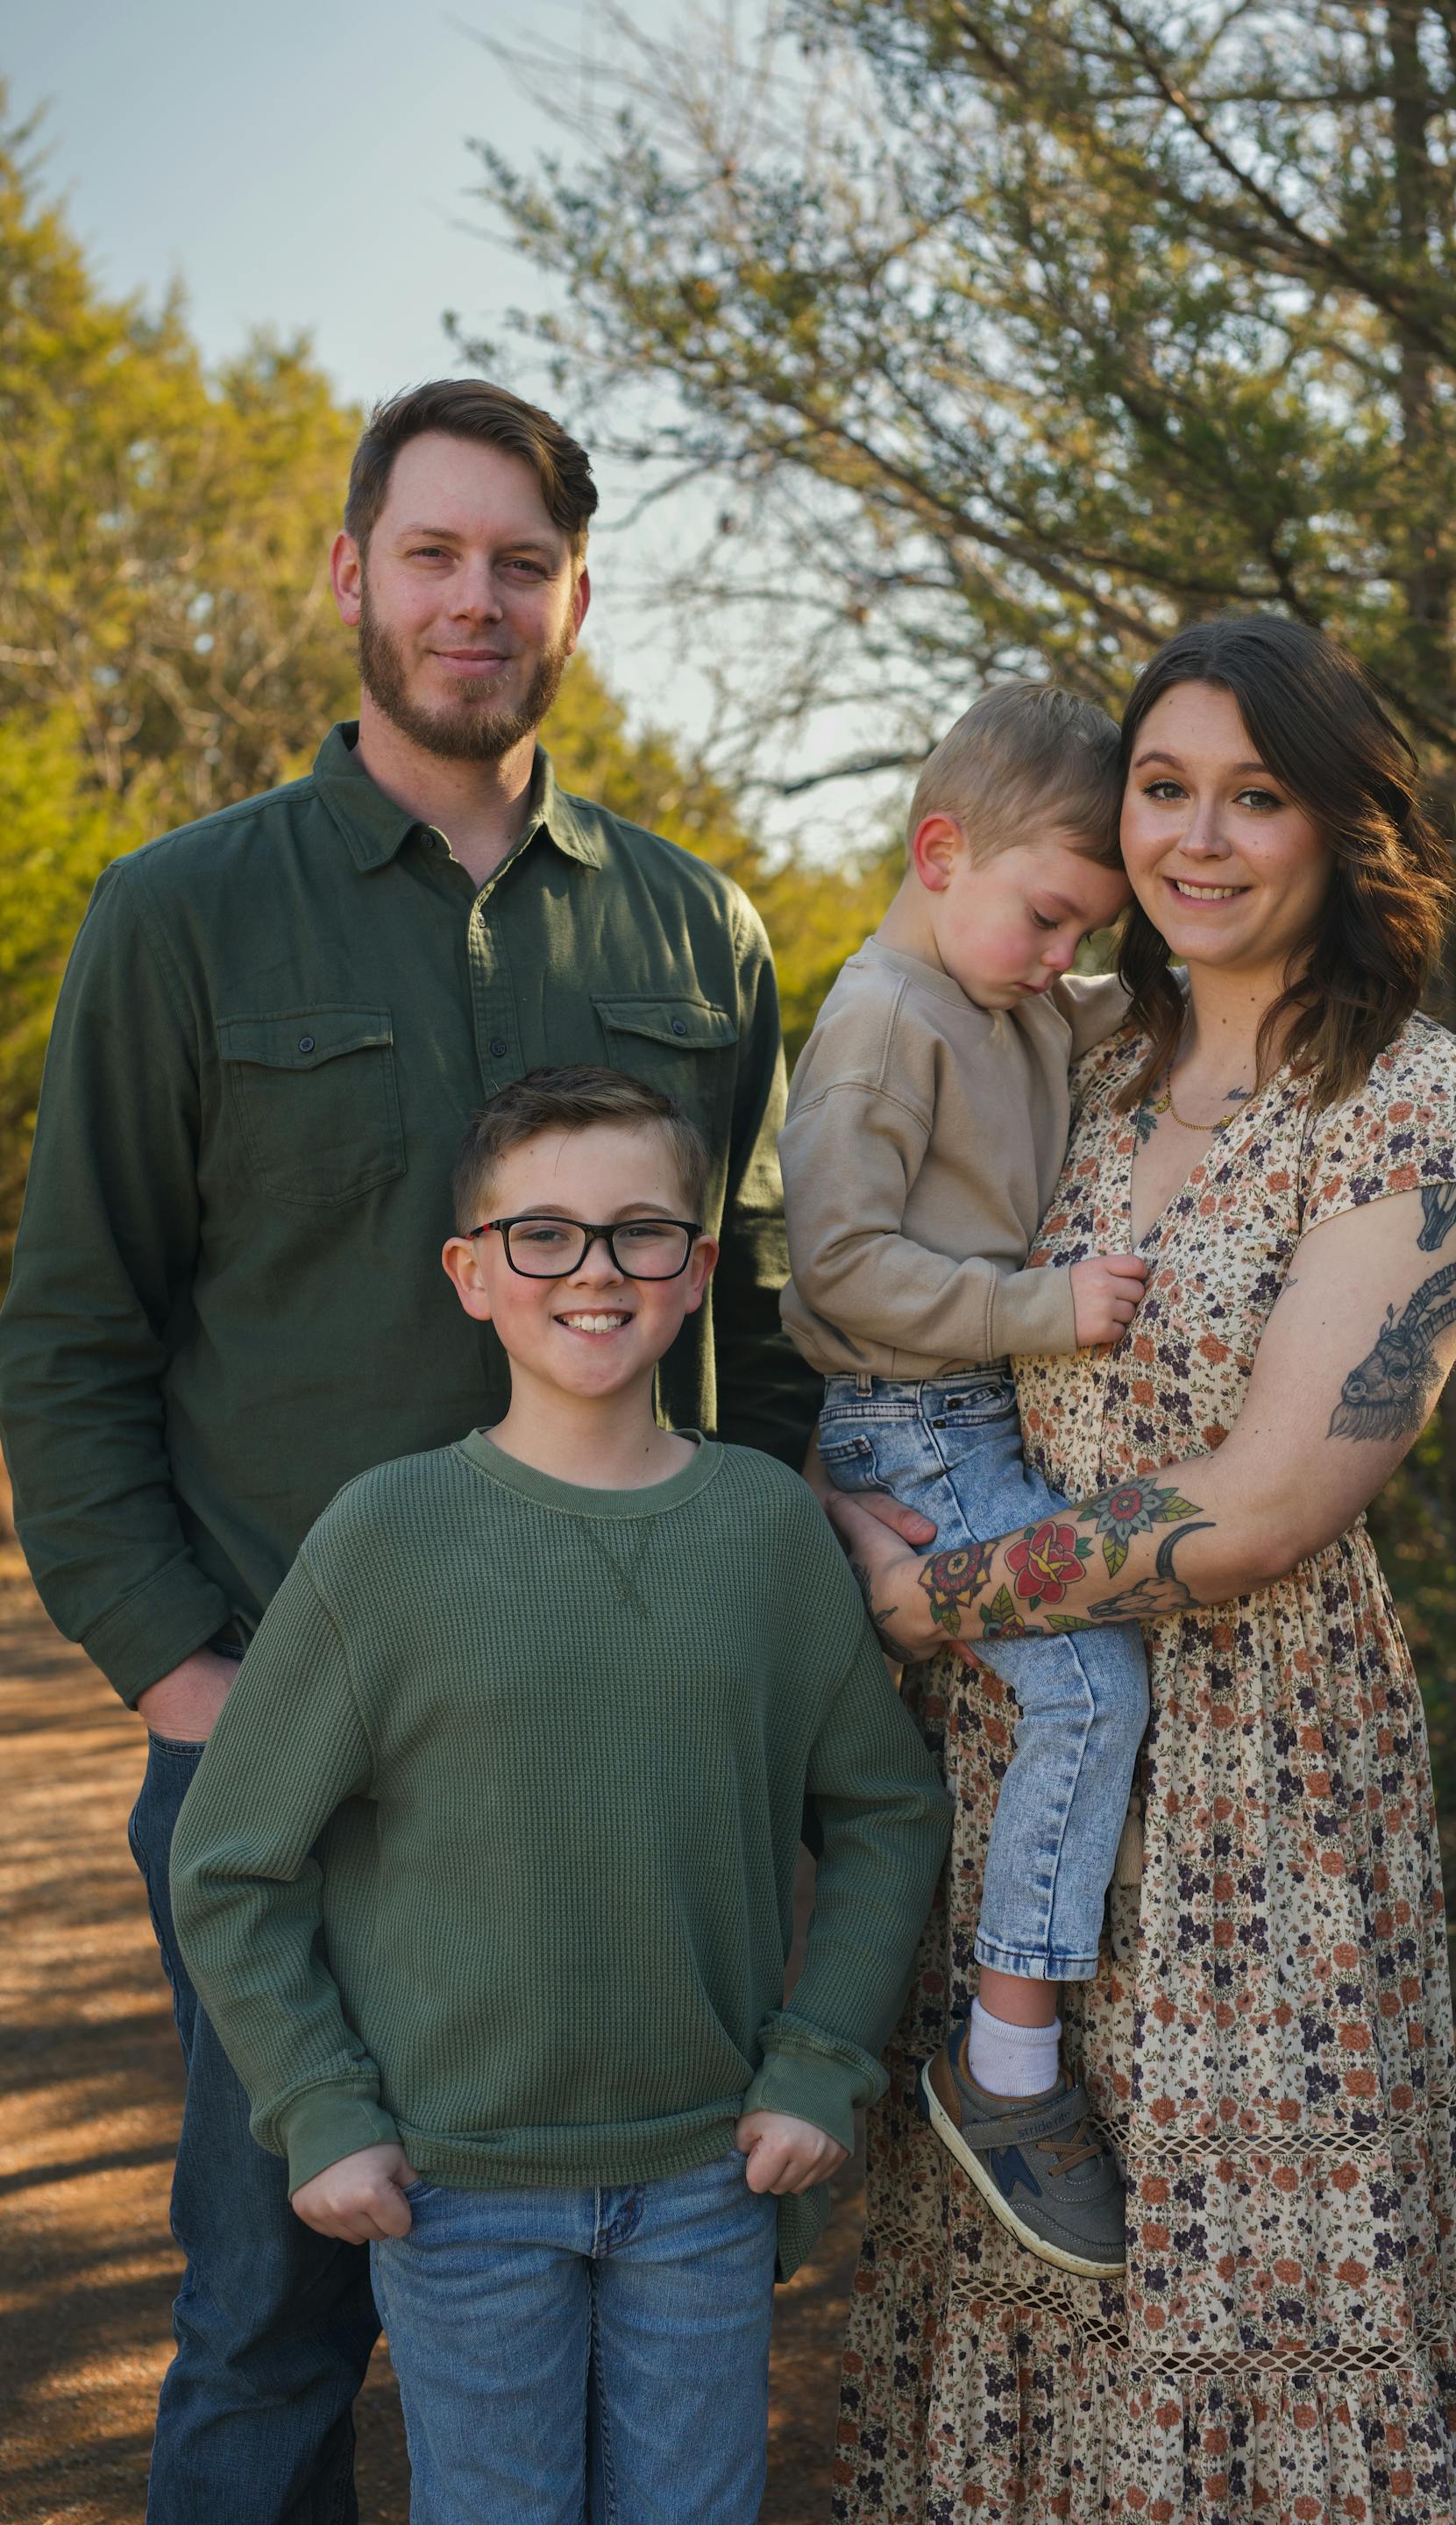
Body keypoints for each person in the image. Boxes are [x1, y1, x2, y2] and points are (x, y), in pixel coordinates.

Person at [0, 379, 825, 2525]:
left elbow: (759, 1332)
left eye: (524, 565)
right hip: (300, 1749)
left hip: (643, 1774)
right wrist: (196, 1694)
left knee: (640, 2294)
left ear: (580, 599)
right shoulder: (181, 919)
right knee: (275, 2321)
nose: (480, 601)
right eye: (437, 554)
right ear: (351, 571)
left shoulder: (695, 932)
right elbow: (76, 1337)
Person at [826, 615, 1456, 2524]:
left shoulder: (1424, 1111)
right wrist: (832, 1509)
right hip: (1012, 1773)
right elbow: (869, 1278)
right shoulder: (1071, 1047)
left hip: (1264, 1804)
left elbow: (1259, 1506)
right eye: (1164, 789)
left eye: (1258, 795)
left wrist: (927, 1603)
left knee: (1257, 2291)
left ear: (1341, 829)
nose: (1199, 839)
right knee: (1010, 2312)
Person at [167, 1064, 949, 2525]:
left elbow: (889, 1814)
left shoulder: (766, 1534)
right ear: (473, 1273)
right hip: (459, 2189)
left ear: (699, 1267)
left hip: (713, 2176)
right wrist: (321, 2108)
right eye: (544, 1234)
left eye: (642, 1231)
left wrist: (821, 2055)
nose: (594, 1271)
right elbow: (231, 1860)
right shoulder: (386, 1540)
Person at [781, 681, 1153, 2277]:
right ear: (943, 851)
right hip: (912, 1427)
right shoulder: (881, 1028)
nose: (1065, 954)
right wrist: (1035, 1309)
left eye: (1084, 930)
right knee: (1086, 1682)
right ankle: (1005, 2062)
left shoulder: (1010, 997)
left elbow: (1137, 1000)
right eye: (1050, 917)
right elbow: (842, 1266)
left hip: (982, 1415)